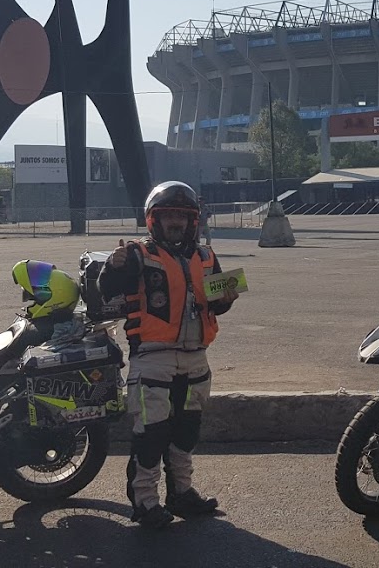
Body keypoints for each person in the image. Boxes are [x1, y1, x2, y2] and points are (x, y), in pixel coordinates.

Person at [98, 181, 239, 528]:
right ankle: (145, 502)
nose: (175, 221)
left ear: (193, 221)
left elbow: (219, 304)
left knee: (187, 431)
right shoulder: (135, 254)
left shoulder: (207, 257)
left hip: (196, 357)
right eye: (168, 215)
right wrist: (112, 266)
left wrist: (228, 296)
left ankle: (182, 493)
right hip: (152, 358)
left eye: (182, 215)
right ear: (153, 220)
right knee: (151, 434)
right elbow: (106, 288)